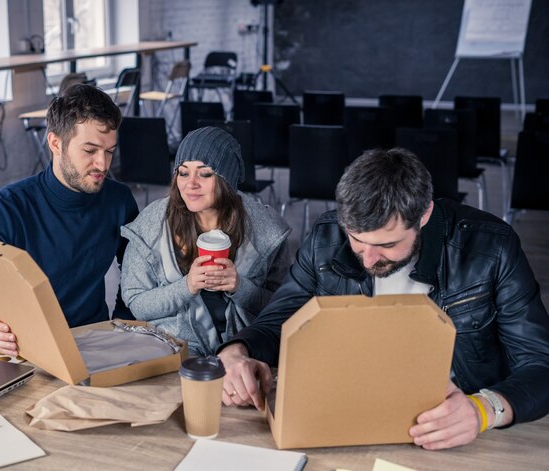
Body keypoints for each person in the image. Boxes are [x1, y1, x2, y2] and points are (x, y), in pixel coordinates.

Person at [218, 147, 549, 450]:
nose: (368, 260)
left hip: (453, 427)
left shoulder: (492, 247)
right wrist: (236, 353)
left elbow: (540, 363)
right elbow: (280, 320)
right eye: (357, 240)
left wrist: (482, 410)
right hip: (347, 412)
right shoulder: (326, 236)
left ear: (424, 215)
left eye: (387, 245)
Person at [0, 84, 138, 356]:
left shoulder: (119, 200)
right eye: (90, 150)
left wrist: (122, 326)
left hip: (92, 341)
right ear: (56, 143)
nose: (103, 165)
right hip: (25, 347)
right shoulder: (8, 208)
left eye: (109, 151)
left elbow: (138, 276)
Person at [120, 126, 291, 356]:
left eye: (205, 173)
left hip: (243, 349)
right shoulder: (150, 226)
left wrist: (240, 287)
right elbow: (137, 304)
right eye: (183, 172)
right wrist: (186, 286)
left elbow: (284, 307)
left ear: (226, 179)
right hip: (173, 348)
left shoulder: (267, 229)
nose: (191, 184)